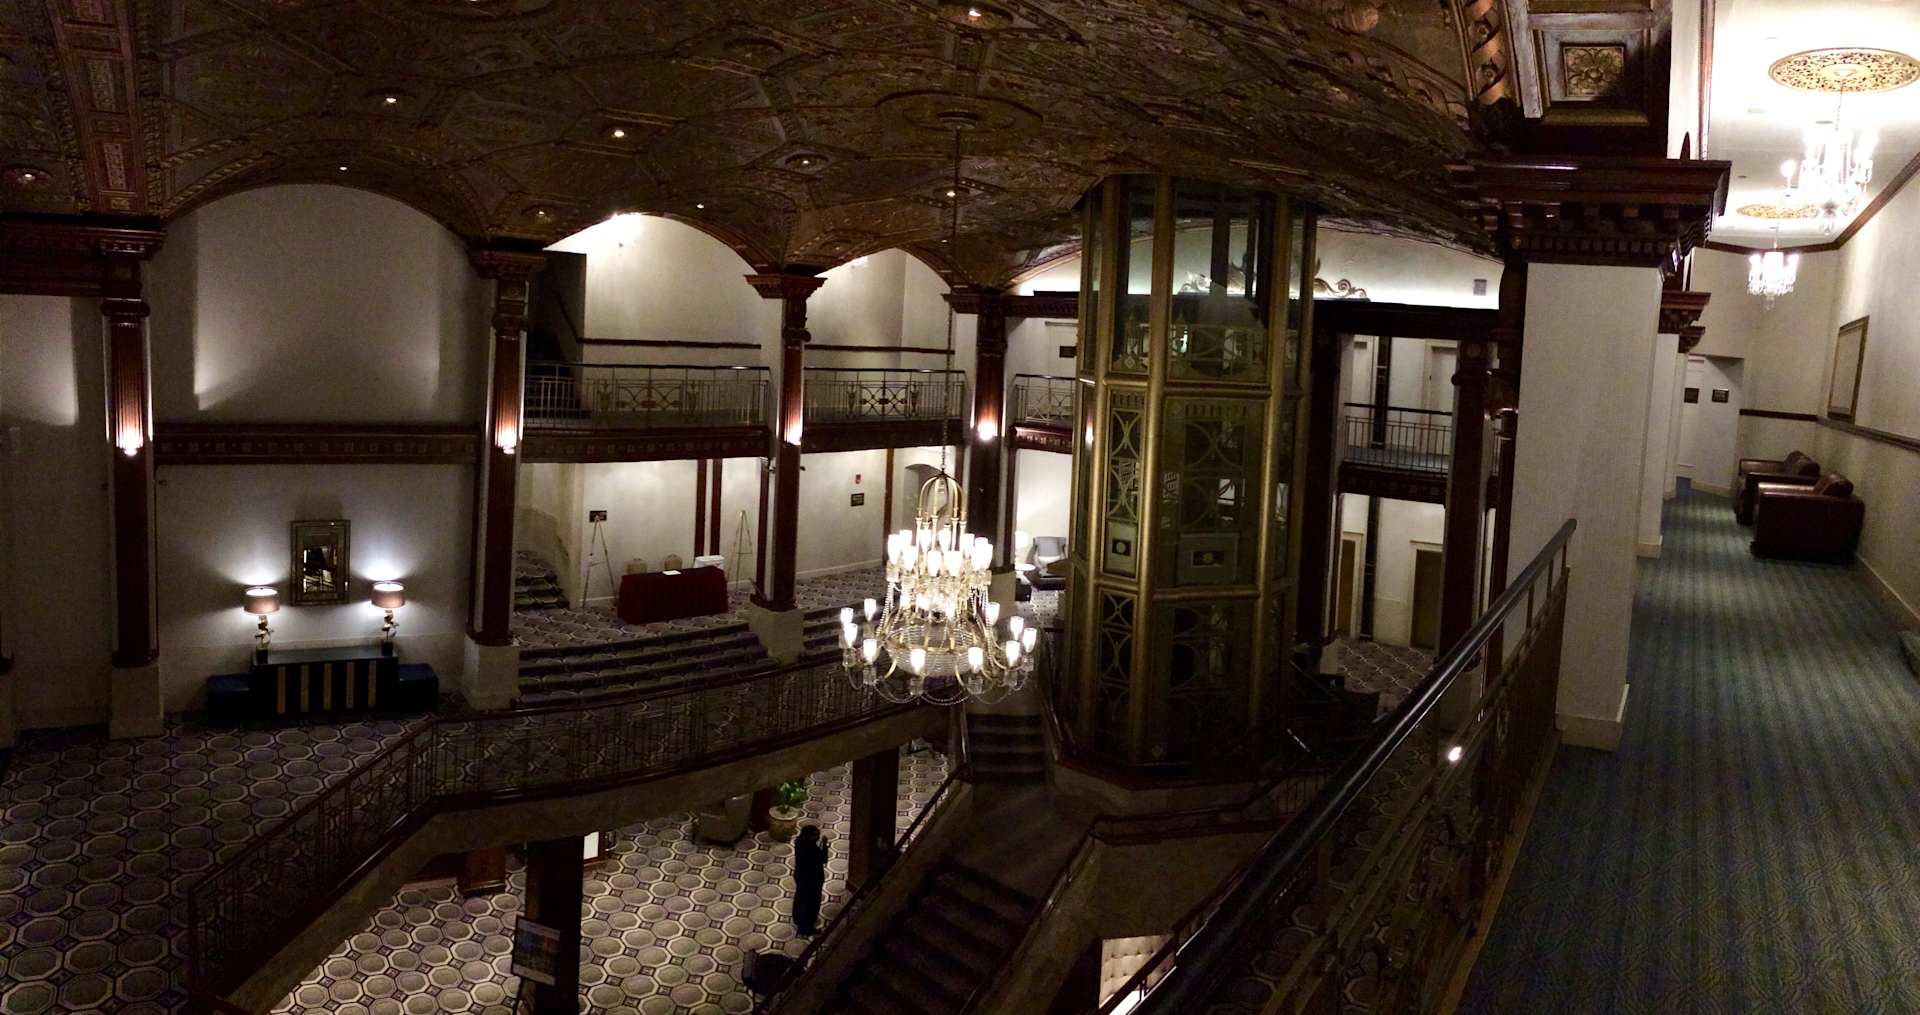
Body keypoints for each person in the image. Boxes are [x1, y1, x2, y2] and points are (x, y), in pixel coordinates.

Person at [792, 824, 828, 935]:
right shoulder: (811, 849)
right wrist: (824, 845)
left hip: (800, 876)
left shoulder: (799, 843)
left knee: (800, 897)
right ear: (811, 837)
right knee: (811, 904)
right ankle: (806, 927)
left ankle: (797, 917)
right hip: (812, 880)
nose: (818, 836)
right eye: (816, 835)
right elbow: (823, 859)